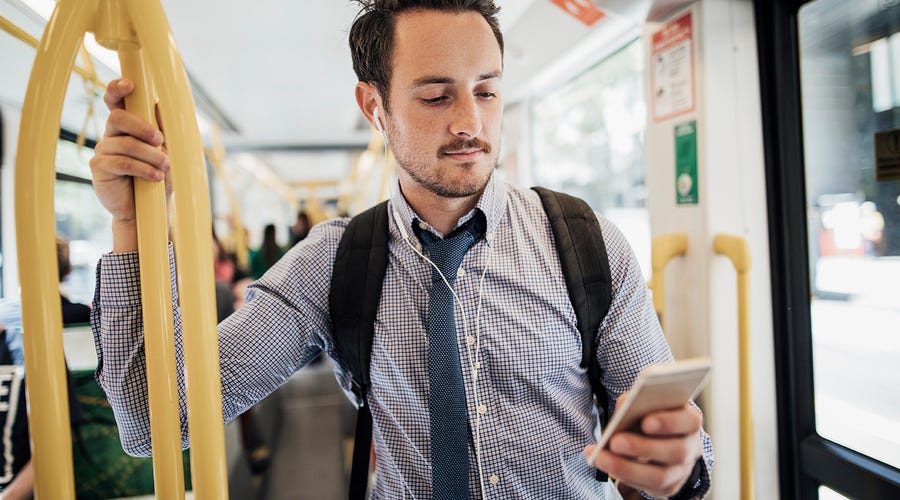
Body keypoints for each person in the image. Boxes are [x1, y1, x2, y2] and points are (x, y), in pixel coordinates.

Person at [88, 1, 713, 498]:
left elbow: (683, 448)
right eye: (437, 96)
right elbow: (153, 419)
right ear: (375, 107)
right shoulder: (335, 263)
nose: (470, 120)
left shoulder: (585, 242)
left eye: (488, 91)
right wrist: (133, 226)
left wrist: (677, 468)